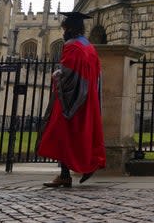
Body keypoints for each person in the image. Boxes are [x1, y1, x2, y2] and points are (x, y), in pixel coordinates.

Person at [38, 11, 105, 187]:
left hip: (70, 101)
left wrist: (56, 74)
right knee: (80, 133)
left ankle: (81, 168)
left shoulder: (72, 46)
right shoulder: (89, 46)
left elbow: (67, 74)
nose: (63, 32)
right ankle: (66, 174)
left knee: (60, 134)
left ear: (69, 29)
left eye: (64, 28)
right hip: (87, 97)